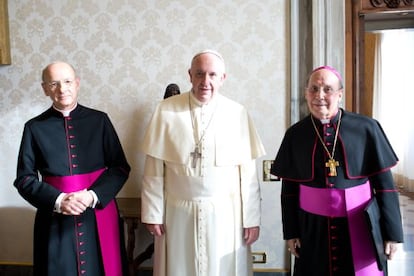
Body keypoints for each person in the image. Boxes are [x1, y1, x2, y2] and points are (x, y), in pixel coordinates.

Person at [140, 50, 265, 276]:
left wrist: (252, 219)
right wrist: (152, 213)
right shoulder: (166, 110)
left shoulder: (237, 113)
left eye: (212, 75)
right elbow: (154, 170)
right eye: (199, 74)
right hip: (177, 212)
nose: (205, 81)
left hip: (227, 215)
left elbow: (248, 174)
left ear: (223, 78)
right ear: (190, 75)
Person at [271, 66, 404, 276]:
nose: (319, 96)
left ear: (340, 94)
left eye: (327, 89)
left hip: (361, 224)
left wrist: (393, 234)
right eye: (313, 89)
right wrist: (292, 231)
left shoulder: (366, 128)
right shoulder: (295, 134)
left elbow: (386, 187)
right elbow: (289, 190)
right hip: (313, 228)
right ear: (306, 93)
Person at [13, 61, 131, 276]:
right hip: (55, 215)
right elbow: (24, 179)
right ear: (45, 88)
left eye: (67, 82)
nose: (62, 89)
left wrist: (92, 196)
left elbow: (120, 167)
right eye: (54, 83)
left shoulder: (99, 120)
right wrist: (59, 200)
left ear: (77, 84)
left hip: (97, 210)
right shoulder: (34, 127)